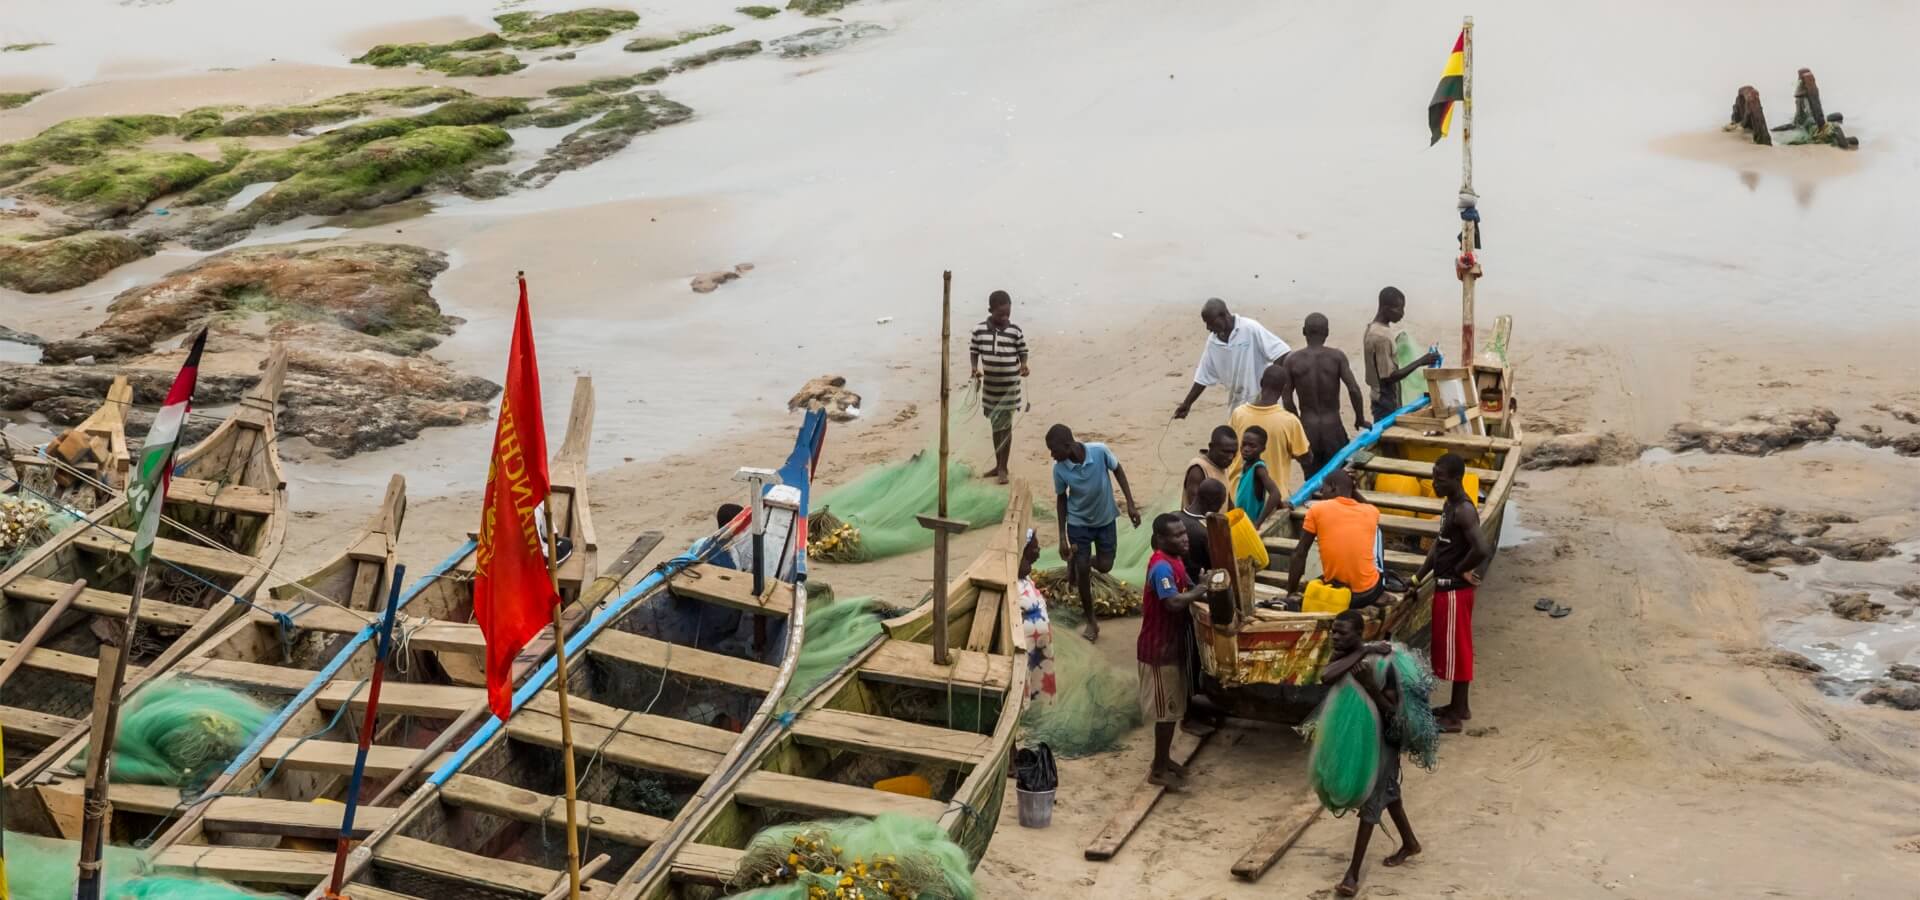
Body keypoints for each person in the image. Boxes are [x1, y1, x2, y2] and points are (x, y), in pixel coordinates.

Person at [1322, 609, 1421, 897]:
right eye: (1333, 631)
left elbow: (1395, 713)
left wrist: (1369, 686)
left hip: (1384, 740)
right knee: (1389, 794)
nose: (1335, 637)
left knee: (1371, 799)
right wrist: (1362, 650)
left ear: (1360, 632)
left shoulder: (1383, 664)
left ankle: (1352, 875)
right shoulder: (1346, 656)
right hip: (1357, 737)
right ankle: (1410, 843)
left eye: (1342, 633)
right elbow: (1327, 676)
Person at [1416, 453, 1491, 732]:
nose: (1434, 483)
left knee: (1458, 650)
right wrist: (1418, 576)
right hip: (1445, 587)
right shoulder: (1449, 505)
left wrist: (1460, 569)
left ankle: (1457, 714)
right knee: (1453, 648)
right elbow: (1440, 544)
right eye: (1434, 476)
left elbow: (1482, 548)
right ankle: (1457, 705)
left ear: (1457, 480)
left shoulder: (1464, 510)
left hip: (1455, 592)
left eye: (1440, 479)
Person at [1048, 424, 1142, 642]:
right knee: (1083, 571)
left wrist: (1130, 503)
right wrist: (1062, 536)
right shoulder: (1059, 469)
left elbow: (1118, 470)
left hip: (1105, 518)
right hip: (1078, 523)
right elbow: (1062, 499)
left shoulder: (1099, 451)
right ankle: (1091, 621)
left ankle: (1079, 562)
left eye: (1054, 450)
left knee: (1105, 564)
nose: (1052, 455)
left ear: (1068, 445)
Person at [1139, 513, 1210, 788]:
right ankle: (1157, 769)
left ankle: (1164, 759)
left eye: (1184, 533)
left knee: (1173, 709)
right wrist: (1199, 590)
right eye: (1177, 535)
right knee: (1165, 712)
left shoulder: (1177, 561)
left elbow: (1189, 588)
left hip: (1173, 646)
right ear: (1160, 540)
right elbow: (1173, 602)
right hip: (1158, 650)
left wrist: (1201, 587)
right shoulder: (1161, 568)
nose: (1185, 538)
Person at [1282, 313, 1371, 477]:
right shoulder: (1336, 357)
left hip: (1308, 429)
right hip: (1333, 428)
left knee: (1311, 481)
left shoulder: (1292, 360)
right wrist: (1360, 418)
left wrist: (1298, 427)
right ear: (1327, 332)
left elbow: (1287, 400)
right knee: (1338, 477)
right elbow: (1354, 389)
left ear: (1303, 331)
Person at [1173, 298, 1291, 420]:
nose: (1208, 327)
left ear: (1224, 315)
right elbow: (1203, 375)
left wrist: (1268, 388)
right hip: (1238, 404)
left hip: (1263, 403)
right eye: (1206, 323)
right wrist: (1187, 403)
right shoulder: (1213, 342)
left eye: (1211, 322)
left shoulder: (1250, 328)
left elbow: (1282, 352)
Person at [1284, 469, 1385, 608]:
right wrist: (1352, 490)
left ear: (1332, 487)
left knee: (1315, 580)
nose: (1321, 494)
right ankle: (1381, 592)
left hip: (1339, 595)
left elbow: (1300, 554)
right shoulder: (1371, 512)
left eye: (1323, 489)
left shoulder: (1317, 510)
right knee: (1377, 538)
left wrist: (1291, 592)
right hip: (1367, 594)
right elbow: (1370, 507)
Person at [970, 290, 1030, 484]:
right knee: (996, 427)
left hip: (1009, 388)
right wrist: (974, 368)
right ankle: (998, 464)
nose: (1004, 317)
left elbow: (1023, 351)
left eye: (1007, 314)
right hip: (991, 390)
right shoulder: (979, 330)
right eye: (1000, 314)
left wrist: (1023, 365)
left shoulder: (1015, 331)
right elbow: (974, 351)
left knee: (1006, 427)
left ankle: (1004, 467)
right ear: (990, 310)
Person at [1227, 363, 1312, 499]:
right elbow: (1306, 458)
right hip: (1271, 500)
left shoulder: (1239, 414)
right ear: (1284, 388)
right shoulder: (1289, 421)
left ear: (1261, 383)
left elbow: (1229, 448)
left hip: (1237, 494)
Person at [1362, 288, 1440, 422]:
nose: (1402, 314)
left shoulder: (1372, 328)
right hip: (1384, 401)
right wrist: (1420, 362)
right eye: (1399, 308)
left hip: (1378, 397)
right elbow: (1389, 377)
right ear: (1386, 308)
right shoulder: (1381, 337)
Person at [1015, 529, 1056, 704]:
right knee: (1023, 679)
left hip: (1039, 645)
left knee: (1039, 683)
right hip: (1026, 642)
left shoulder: (1026, 578)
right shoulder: (1013, 578)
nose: (1038, 553)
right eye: (1034, 549)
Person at [1232, 426, 1287, 527]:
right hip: (1241, 522)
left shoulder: (1258, 469)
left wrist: (1258, 523)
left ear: (1263, 449)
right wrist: (1280, 505)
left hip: (1250, 524)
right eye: (1244, 444)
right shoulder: (1246, 465)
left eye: (1252, 446)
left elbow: (1275, 494)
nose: (1246, 449)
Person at [1182, 425, 1239, 511]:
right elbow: (1195, 510)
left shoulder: (1223, 465)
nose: (1230, 457)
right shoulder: (1198, 470)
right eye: (1226, 451)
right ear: (1211, 446)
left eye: (1234, 452)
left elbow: (1227, 499)